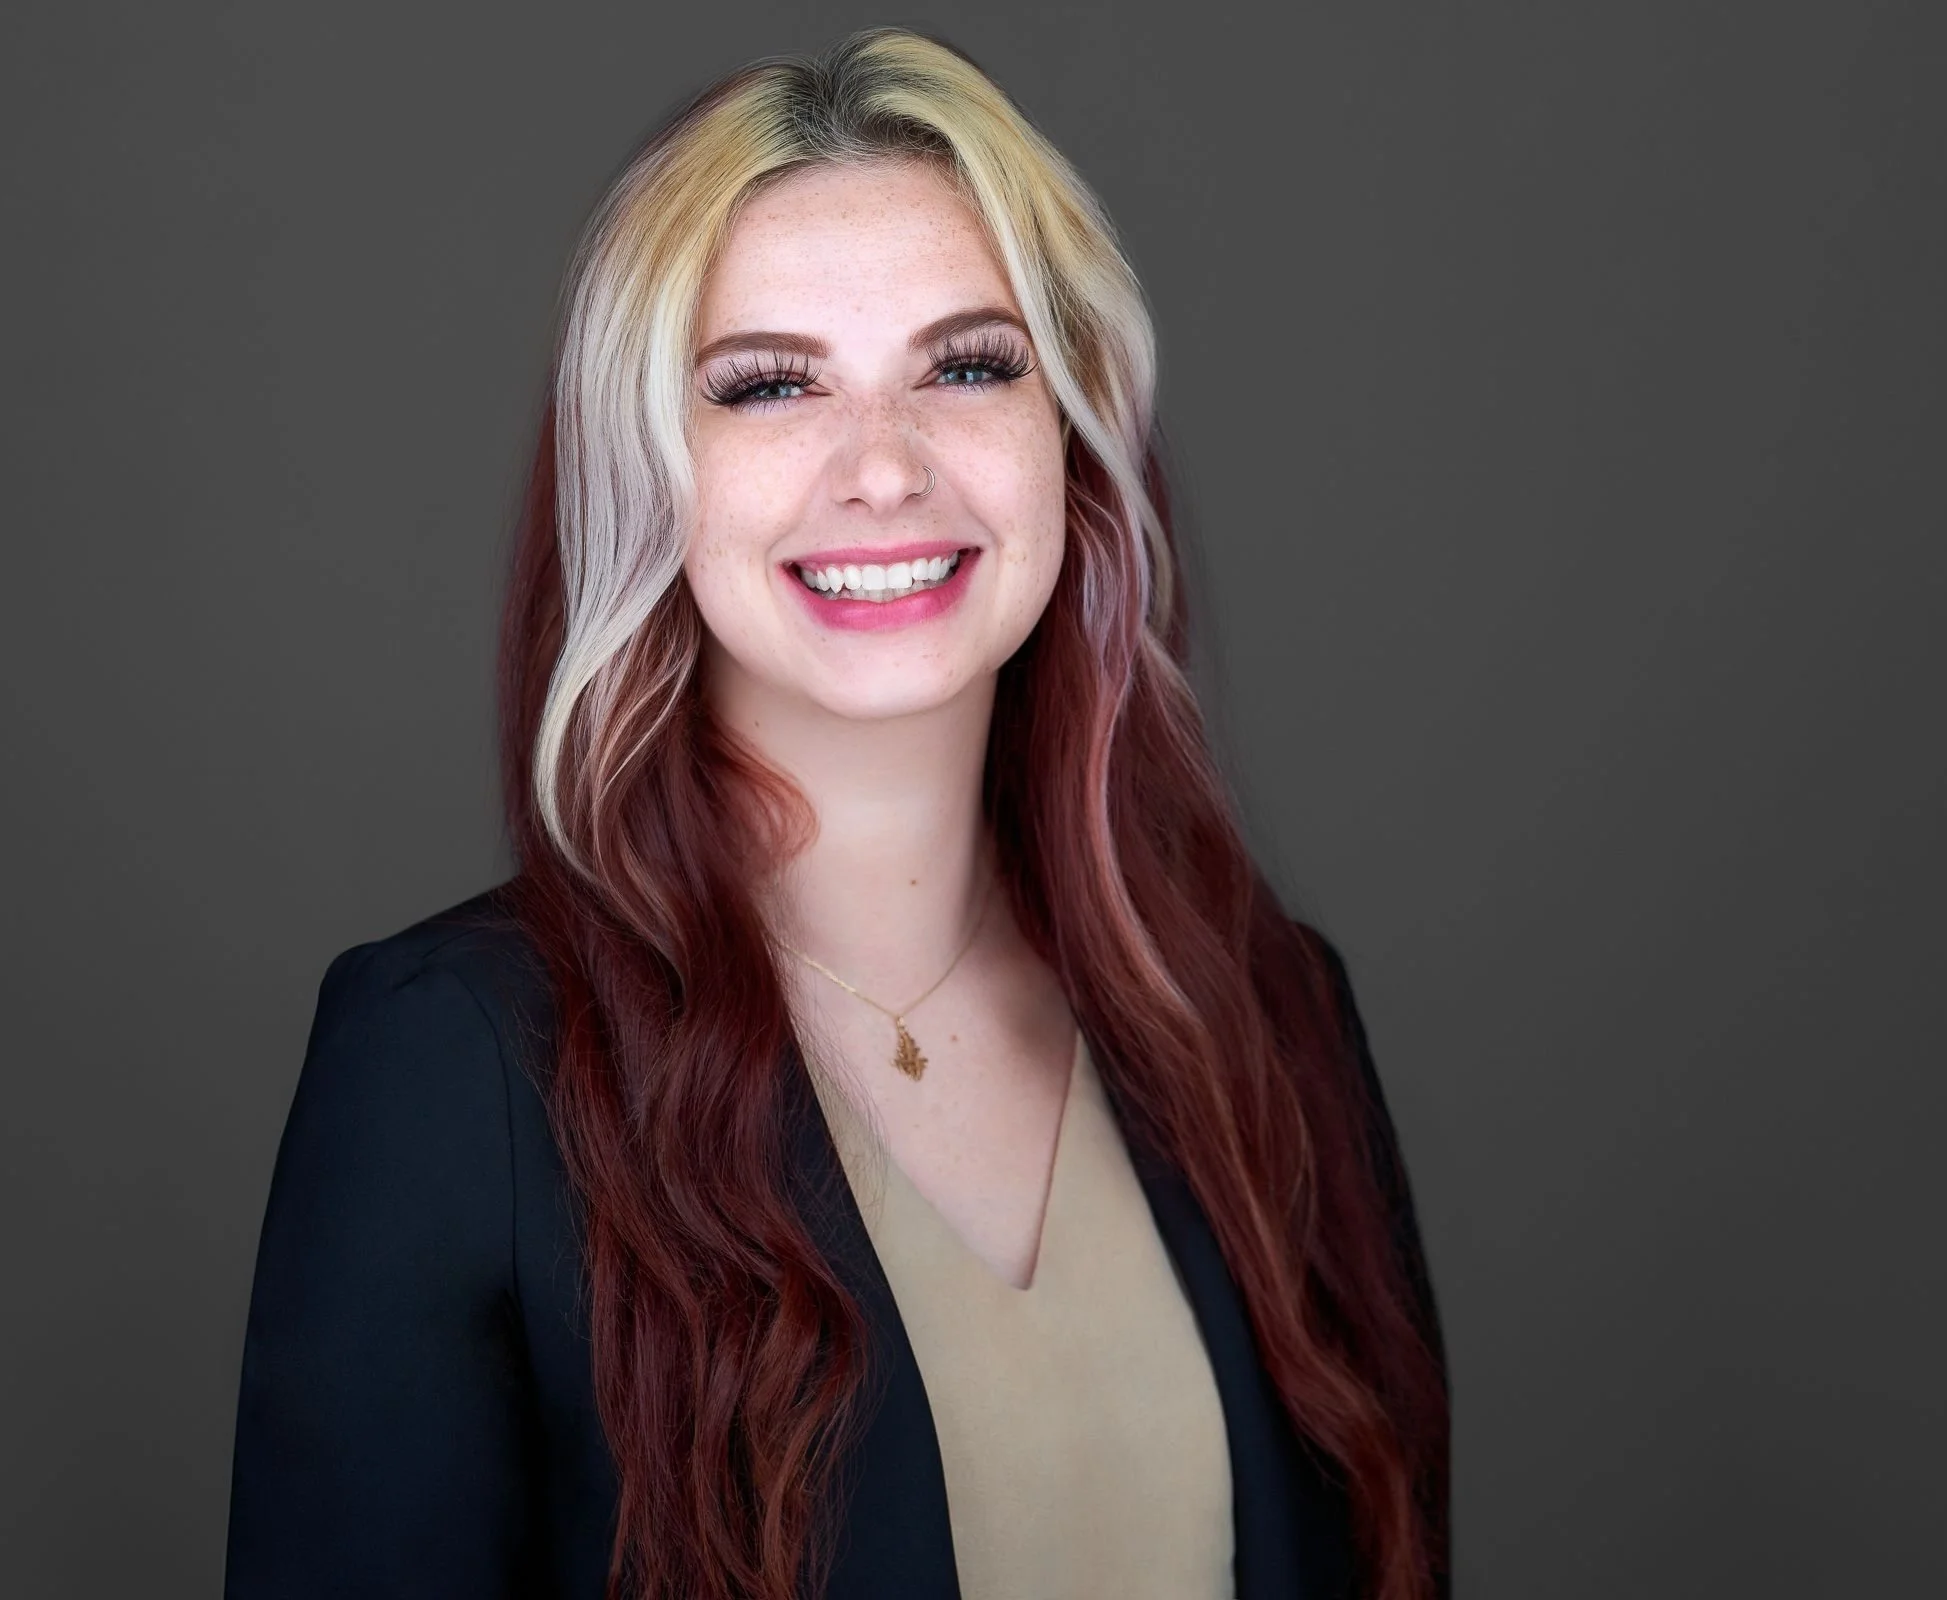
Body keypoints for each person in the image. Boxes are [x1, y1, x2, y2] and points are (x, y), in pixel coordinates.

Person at [223, 26, 1449, 1600]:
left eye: (968, 364)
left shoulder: (1272, 1022)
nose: (882, 468)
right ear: (650, 475)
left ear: (1071, 443)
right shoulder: (452, 1071)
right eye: (771, 386)